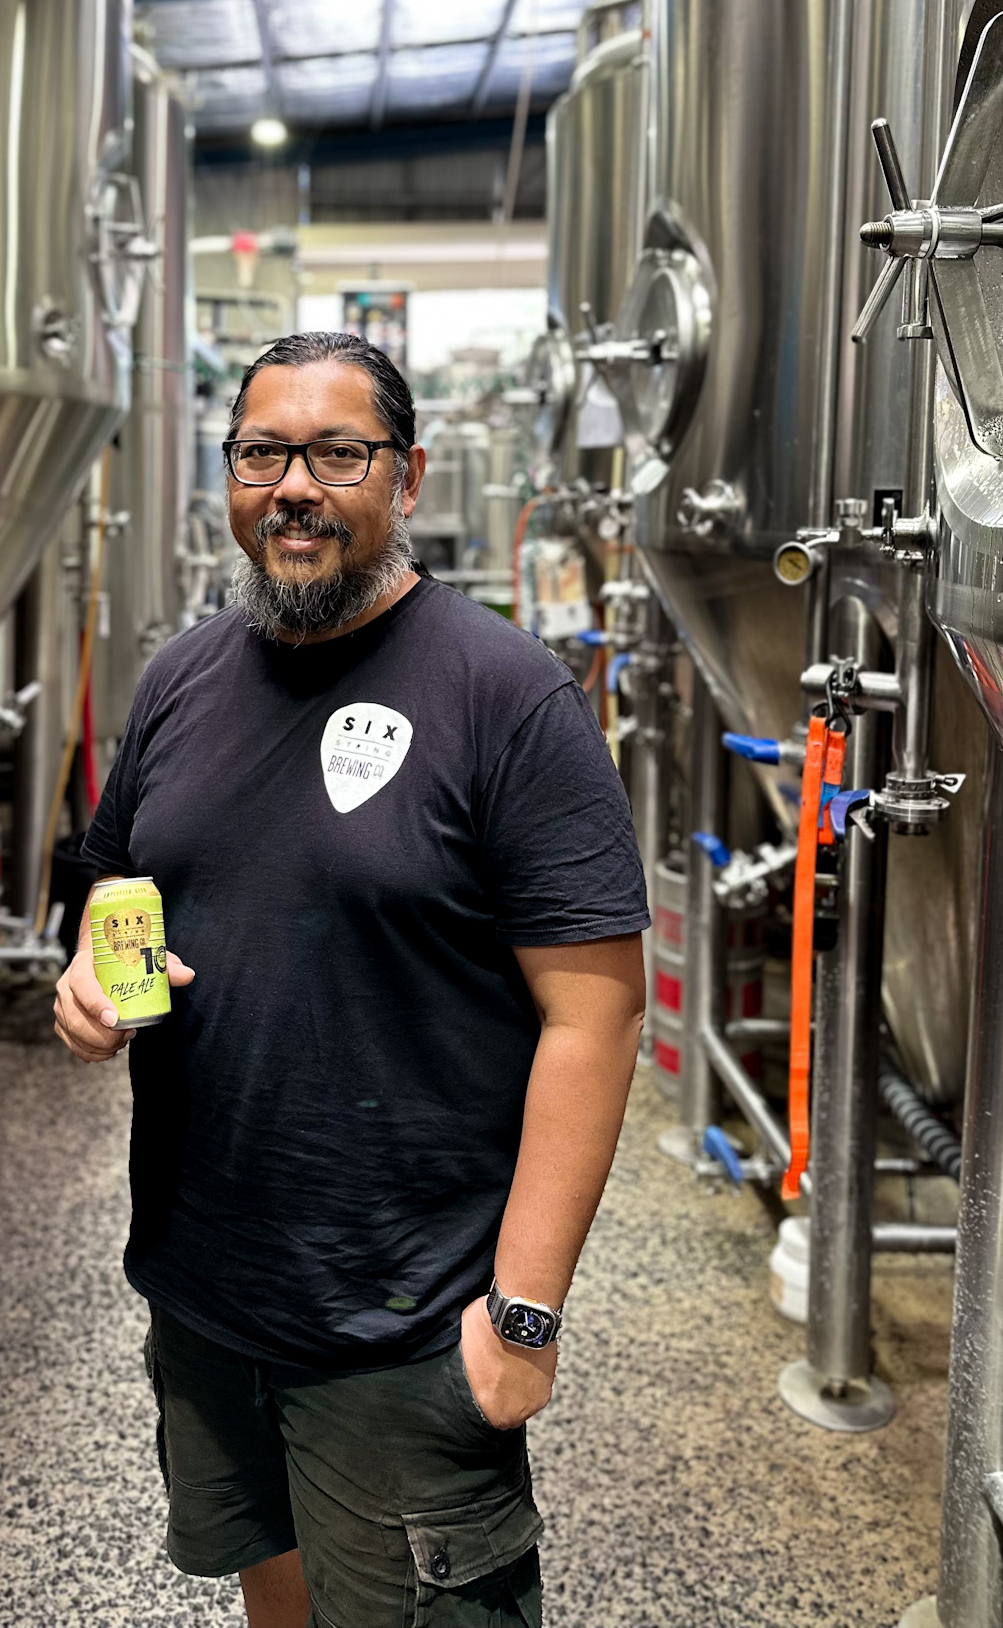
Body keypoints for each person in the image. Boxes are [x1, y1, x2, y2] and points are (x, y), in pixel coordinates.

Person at [55, 332, 648, 1628]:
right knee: (277, 1589)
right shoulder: (182, 678)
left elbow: (595, 1016)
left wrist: (525, 1321)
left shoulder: (506, 698)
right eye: (263, 453)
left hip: (408, 1318)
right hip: (208, 1291)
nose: (296, 488)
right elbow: (113, 875)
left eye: (338, 453)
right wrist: (89, 981)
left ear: (410, 476)